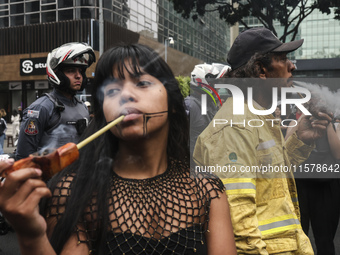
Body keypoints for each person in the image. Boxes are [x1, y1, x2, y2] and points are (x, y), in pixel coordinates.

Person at [0, 44, 237, 255]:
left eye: (142, 83)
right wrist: (32, 237)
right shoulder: (73, 193)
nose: (125, 95)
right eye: (111, 91)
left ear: (173, 104)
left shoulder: (207, 189)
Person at [193, 27, 332, 254]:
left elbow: (270, 183)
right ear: (261, 71)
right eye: (283, 59)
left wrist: (301, 140)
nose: (292, 66)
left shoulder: (257, 117)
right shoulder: (236, 127)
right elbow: (241, 229)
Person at [15, 42, 96, 160]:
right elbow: (23, 157)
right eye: (71, 70)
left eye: (80, 71)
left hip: (78, 176)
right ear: (57, 74)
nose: (78, 76)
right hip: (48, 177)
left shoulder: (82, 107)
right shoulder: (41, 108)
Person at [184, 63, 229, 163]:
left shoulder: (209, 105)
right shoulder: (190, 105)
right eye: (216, 85)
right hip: (192, 168)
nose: (218, 89)